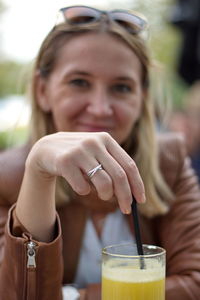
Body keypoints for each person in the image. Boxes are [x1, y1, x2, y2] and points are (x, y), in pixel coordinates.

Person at [0, 5, 200, 300]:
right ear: (43, 91)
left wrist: (75, 297)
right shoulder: (7, 176)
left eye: (121, 87)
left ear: (141, 99)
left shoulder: (167, 163)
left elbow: (195, 283)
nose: (100, 108)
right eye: (79, 82)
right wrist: (39, 175)